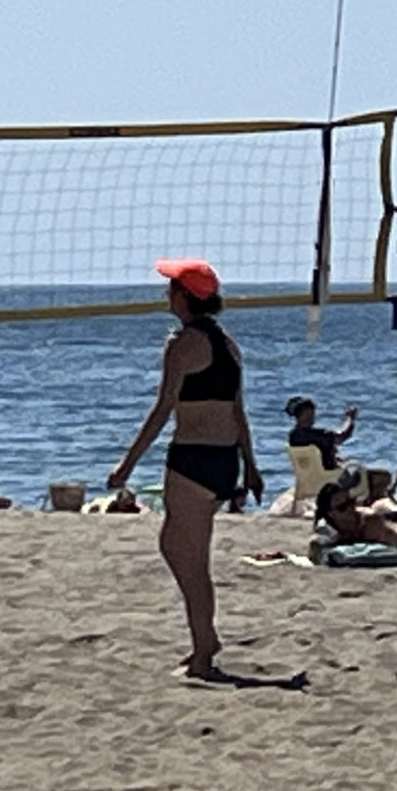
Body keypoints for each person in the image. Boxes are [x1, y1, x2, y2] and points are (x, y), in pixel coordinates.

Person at [107, 258, 264, 680]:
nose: (165, 293)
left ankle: (203, 654)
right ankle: (205, 639)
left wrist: (126, 464)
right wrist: (250, 466)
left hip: (193, 458)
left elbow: (162, 410)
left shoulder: (182, 344)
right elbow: (239, 413)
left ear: (184, 297)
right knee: (179, 549)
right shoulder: (229, 346)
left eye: (171, 287)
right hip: (224, 459)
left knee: (190, 561)